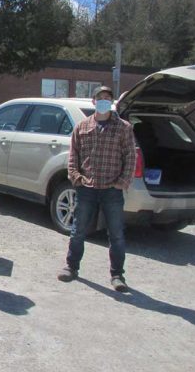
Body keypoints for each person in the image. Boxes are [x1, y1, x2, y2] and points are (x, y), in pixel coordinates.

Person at [58, 86, 136, 292]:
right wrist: (75, 177)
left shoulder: (124, 128)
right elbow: (73, 155)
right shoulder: (82, 127)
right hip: (87, 188)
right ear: (93, 102)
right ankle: (71, 267)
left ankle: (117, 275)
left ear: (111, 102)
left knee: (116, 234)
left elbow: (130, 157)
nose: (103, 101)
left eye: (107, 98)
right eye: (99, 98)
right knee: (78, 231)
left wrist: (123, 181)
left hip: (112, 188)